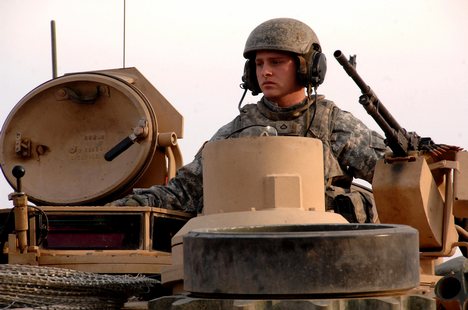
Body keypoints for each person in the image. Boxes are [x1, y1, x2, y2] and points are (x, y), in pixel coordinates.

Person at [109, 17, 387, 223]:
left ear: (306, 68)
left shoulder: (333, 124)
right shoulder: (236, 132)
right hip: (245, 254)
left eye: (276, 62)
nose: (265, 71)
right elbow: (184, 191)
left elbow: (392, 177)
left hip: (327, 252)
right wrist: (126, 205)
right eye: (259, 64)